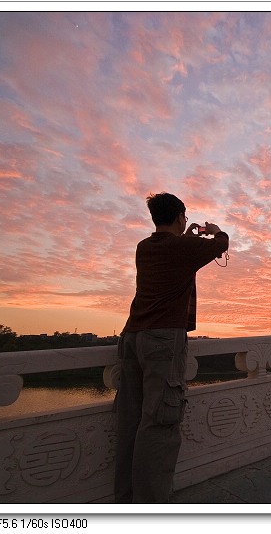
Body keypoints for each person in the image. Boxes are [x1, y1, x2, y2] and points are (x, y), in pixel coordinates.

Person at [114, 192, 229, 503]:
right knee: (159, 423)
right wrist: (215, 229)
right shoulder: (182, 247)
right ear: (180, 216)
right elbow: (222, 244)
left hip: (133, 337)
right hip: (163, 340)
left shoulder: (144, 247)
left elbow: (177, 256)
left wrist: (188, 236)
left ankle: (125, 500)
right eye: (185, 217)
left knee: (131, 420)